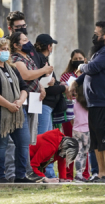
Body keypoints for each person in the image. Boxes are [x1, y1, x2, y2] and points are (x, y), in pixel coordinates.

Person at [71, 20, 105, 183]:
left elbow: (92, 68)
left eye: (96, 34)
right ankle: (100, 174)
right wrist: (76, 81)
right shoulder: (100, 52)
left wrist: (82, 66)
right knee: (97, 141)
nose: (94, 37)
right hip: (94, 103)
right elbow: (90, 70)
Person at [0, 37, 36, 183]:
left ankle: (20, 175)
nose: (6, 52)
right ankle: (1, 176)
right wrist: (8, 105)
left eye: (7, 49)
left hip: (17, 111)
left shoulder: (12, 68)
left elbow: (24, 87)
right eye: (2, 49)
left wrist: (20, 101)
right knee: (1, 144)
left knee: (23, 143)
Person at [9, 32, 53, 181]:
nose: (28, 43)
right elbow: (26, 75)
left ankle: (28, 170)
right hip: (22, 101)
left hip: (33, 100)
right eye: (24, 41)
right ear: (16, 45)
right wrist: (45, 71)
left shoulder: (27, 57)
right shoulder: (16, 58)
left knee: (29, 138)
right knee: (23, 139)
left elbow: (33, 77)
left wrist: (41, 87)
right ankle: (23, 171)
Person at [34, 34, 72, 180]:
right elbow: (46, 88)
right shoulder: (41, 62)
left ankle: (48, 172)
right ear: (49, 46)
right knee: (45, 142)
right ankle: (44, 173)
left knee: (49, 141)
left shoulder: (43, 60)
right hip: (44, 105)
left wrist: (59, 85)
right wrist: (63, 88)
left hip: (48, 107)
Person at [55, 49, 91, 181]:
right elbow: (65, 94)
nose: (78, 61)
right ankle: (68, 175)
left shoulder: (88, 75)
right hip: (70, 113)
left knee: (84, 145)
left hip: (85, 112)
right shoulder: (65, 76)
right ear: (71, 60)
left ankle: (84, 174)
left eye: (80, 58)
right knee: (70, 145)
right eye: (75, 59)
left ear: (85, 60)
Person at [72, 85, 90, 182]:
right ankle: (82, 173)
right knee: (84, 153)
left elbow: (72, 117)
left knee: (78, 153)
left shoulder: (74, 103)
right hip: (87, 130)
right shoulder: (88, 103)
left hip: (76, 130)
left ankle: (78, 174)